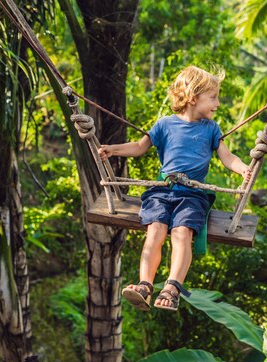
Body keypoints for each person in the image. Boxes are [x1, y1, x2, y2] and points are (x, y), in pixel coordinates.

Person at [98, 65, 251, 311]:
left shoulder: (211, 129)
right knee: (155, 231)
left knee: (182, 234)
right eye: (213, 97)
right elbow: (139, 147)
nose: (218, 103)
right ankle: (145, 285)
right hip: (162, 190)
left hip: (192, 194)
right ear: (193, 96)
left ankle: (172, 287)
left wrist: (243, 168)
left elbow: (227, 156)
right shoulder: (164, 125)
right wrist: (111, 149)